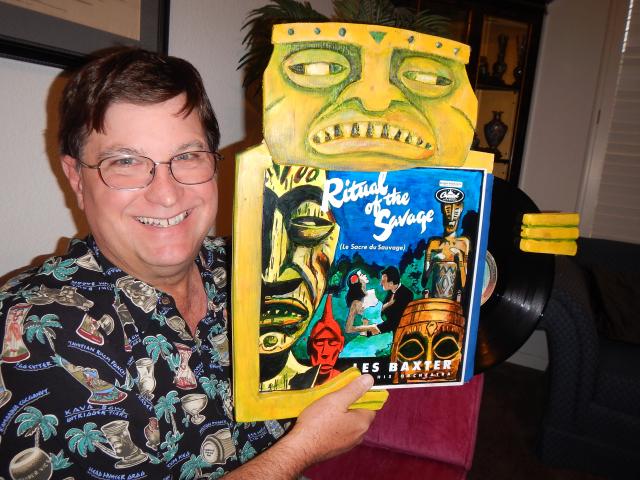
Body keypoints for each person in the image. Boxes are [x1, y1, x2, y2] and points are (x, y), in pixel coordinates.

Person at [0, 47, 376, 480]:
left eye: (187, 156)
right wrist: (301, 449)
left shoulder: (250, 268)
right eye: (125, 162)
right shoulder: (34, 330)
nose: (166, 194)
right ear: (76, 179)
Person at [365, 266, 414, 337]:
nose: (380, 283)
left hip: (399, 333)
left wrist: (372, 331)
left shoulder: (406, 294)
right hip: (388, 329)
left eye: (383, 281)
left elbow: (394, 322)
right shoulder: (391, 291)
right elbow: (382, 311)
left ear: (391, 283)